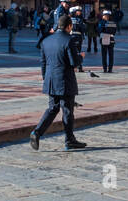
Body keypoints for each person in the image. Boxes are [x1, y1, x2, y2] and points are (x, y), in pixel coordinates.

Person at [29, 14, 87, 151]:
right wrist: (81, 57)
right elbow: (74, 62)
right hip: (65, 80)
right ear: (69, 26)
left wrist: (45, 77)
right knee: (67, 110)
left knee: (52, 109)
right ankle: (69, 140)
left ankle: (36, 132)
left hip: (50, 80)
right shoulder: (69, 40)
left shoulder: (46, 40)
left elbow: (43, 62)